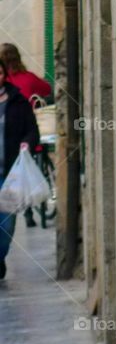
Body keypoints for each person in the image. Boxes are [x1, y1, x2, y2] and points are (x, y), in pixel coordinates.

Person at [0, 44, 51, 227]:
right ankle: (29, 212)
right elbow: (47, 89)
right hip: (25, 145)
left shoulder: (11, 90)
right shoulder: (28, 78)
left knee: (5, 222)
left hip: (11, 155)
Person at [0, 57, 39, 280]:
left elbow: (32, 130)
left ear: (4, 74)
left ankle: (0, 256)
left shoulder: (18, 102)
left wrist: (27, 142)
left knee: (6, 226)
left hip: (10, 175)